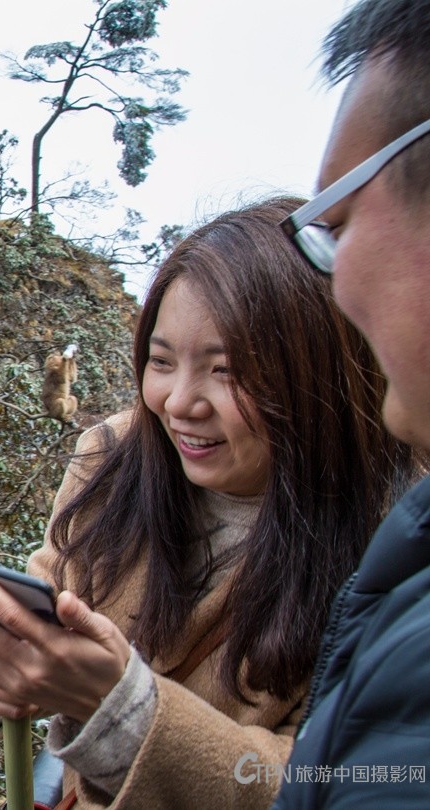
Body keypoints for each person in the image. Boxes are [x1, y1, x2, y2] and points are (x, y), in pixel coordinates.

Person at [0, 195, 417, 808]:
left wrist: (124, 717)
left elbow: (338, 784)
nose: (178, 403)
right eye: (162, 361)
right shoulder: (114, 456)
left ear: (317, 372)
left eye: (227, 371)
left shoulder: (396, 544)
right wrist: (0, 669)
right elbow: (54, 581)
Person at [271, 1, 430, 805]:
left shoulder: (366, 524)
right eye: (161, 360)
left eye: (334, 224)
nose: (335, 286)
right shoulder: (112, 470)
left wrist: (123, 704)